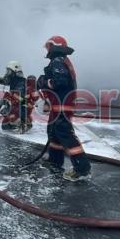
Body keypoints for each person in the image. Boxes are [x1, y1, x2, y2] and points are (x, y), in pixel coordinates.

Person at [36, 36, 92, 182]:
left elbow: (59, 82)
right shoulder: (61, 61)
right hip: (58, 105)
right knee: (54, 132)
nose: (47, 49)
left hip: (62, 105)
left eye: (49, 46)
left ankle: (82, 169)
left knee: (65, 134)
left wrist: (43, 81)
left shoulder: (57, 62)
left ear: (55, 47)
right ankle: (55, 160)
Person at [0, 61, 32, 133]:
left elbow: (19, 97)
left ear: (15, 71)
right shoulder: (14, 79)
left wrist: (8, 101)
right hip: (15, 104)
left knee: (18, 113)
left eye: (9, 71)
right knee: (5, 126)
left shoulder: (21, 82)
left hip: (22, 106)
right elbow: (6, 81)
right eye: (7, 71)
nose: (7, 73)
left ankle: (25, 123)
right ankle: (16, 123)